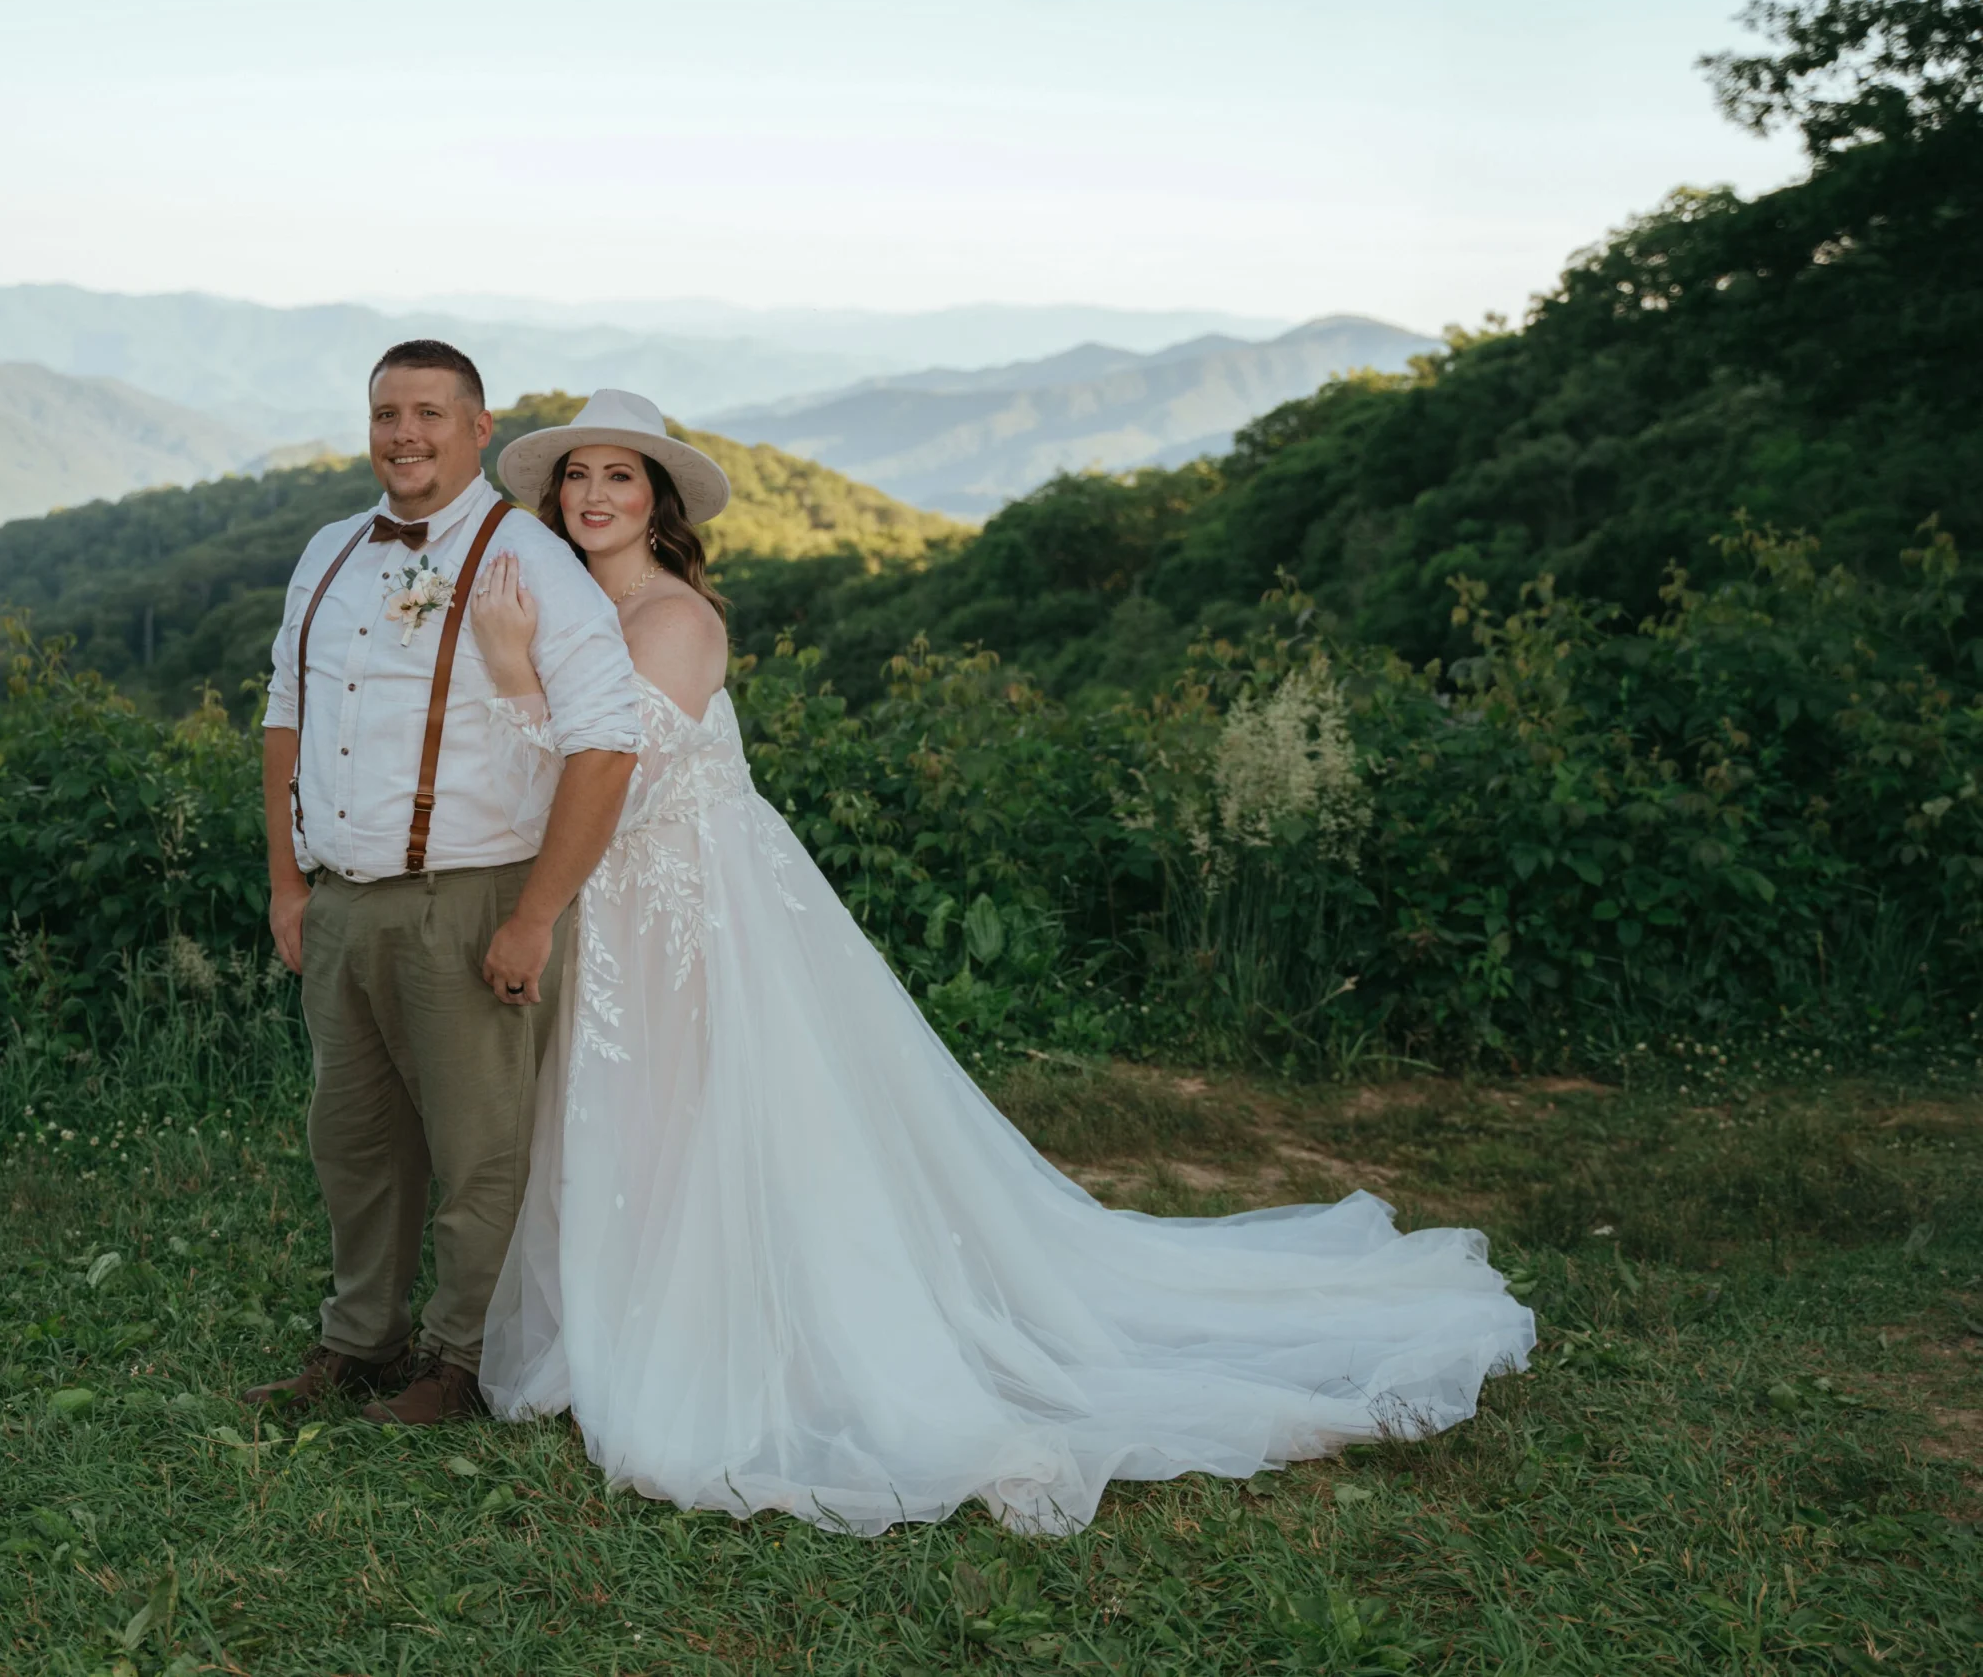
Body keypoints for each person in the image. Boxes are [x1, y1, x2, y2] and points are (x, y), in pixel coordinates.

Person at [470, 389, 1538, 1534]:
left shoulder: (675, 621)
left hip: (692, 905)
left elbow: (607, 783)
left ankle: (719, 1340)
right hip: (616, 906)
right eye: (574, 477)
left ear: (658, 499)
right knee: (635, 1113)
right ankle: (623, 1327)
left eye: (619, 477)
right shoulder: (576, 608)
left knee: (701, 1114)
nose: (592, 496)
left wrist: (508, 665)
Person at [248, 342, 639, 1427]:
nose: (402, 434)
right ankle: (358, 1340)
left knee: (479, 1148)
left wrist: (534, 915)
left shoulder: (533, 561)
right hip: (339, 901)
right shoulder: (328, 550)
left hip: (467, 899)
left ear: (477, 429)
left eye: (427, 412)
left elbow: (607, 743)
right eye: (385, 413)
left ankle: (459, 1361)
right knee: (354, 1140)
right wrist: (288, 886)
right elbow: (285, 716)